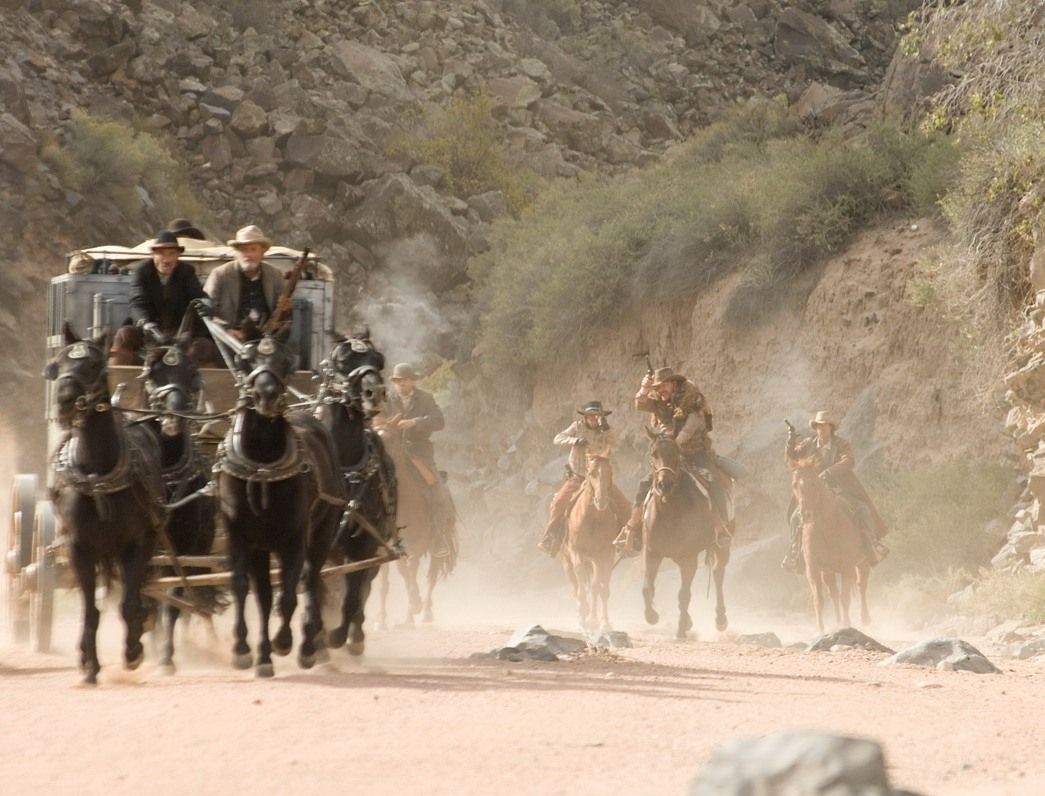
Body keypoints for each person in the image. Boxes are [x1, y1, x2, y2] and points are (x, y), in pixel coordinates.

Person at [614, 366, 732, 555]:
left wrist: (673, 442)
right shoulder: (660, 402)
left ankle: (721, 527)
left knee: (713, 481)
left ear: (674, 384)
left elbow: (691, 427)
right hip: (669, 454)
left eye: (664, 386)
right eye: (658, 387)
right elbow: (640, 404)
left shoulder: (693, 400)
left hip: (694, 452)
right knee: (644, 485)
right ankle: (632, 528)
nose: (661, 390)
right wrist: (644, 388)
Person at [783, 410, 889, 572]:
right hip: (814, 491)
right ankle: (795, 552)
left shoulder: (841, 444)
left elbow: (849, 460)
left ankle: (871, 544)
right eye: (819, 426)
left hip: (840, 488)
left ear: (831, 427)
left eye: (825, 425)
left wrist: (830, 472)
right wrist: (790, 443)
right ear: (815, 428)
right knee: (795, 518)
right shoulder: (808, 444)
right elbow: (792, 459)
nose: (821, 429)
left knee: (863, 509)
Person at [537, 401, 631, 557]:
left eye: (597, 416)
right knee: (558, 503)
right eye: (591, 416)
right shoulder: (577, 427)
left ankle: (628, 538)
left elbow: (617, 443)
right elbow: (558, 438)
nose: (594, 419)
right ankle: (550, 538)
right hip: (577, 477)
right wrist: (574, 441)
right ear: (585, 417)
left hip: (600, 479)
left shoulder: (605, 431)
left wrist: (608, 430)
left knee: (624, 504)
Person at [377, 363, 453, 556]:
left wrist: (415, 422)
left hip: (419, 454)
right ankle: (374, 539)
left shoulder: (426, 398)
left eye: (404, 380)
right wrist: (386, 426)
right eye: (397, 380)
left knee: (438, 491)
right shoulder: (386, 400)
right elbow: (376, 422)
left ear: (412, 381)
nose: (401, 383)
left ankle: (438, 539)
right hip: (390, 454)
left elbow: (439, 421)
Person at [203, 225, 289, 336]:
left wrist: (286, 307)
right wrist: (226, 331)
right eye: (243, 250)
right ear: (236, 253)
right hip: (231, 337)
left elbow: (284, 313)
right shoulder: (220, 274)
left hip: (266, 336)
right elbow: (207, 310)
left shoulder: (274, 275)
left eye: (253, 249)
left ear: (262, 252)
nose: (248, 255)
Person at [128, 230, 208, 342]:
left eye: (172, 253)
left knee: (202, 344)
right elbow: (137, 301)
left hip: (179, 330)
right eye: (161, 253)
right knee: (125, 335)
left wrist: (206, 304)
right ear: (152, 254)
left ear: (178, 255)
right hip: (148, 328)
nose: (167, 260)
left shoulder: (186, 271)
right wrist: (145, 323)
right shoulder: (142, 271)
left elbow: (198, 296)